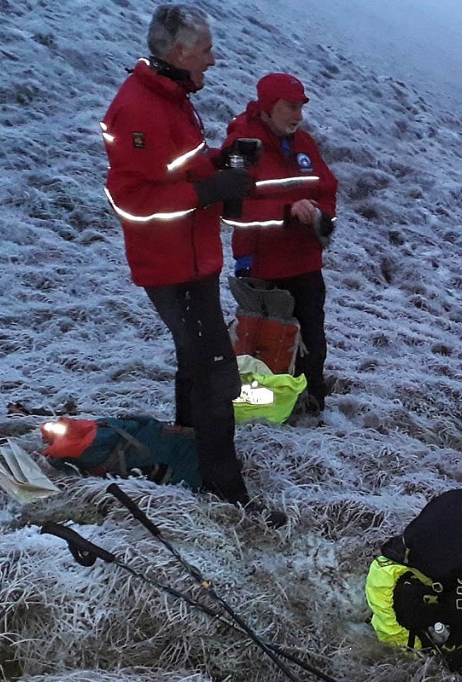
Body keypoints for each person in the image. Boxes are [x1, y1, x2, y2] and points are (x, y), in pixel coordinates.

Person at [100, 4, 284, 527]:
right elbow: (131, 199)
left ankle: (190, 456)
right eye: (206, 49)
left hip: (194, 257)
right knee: (217, 374)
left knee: (196, 363)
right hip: (172, 265)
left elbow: (178, 166)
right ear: (180, 52)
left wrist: (222, 161)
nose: (213, 58)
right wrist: (208, 190)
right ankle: (226, 493)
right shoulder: (139, 108)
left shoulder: (173, 98)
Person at [222, 73, 339, 414]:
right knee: (263, 344)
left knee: (312, 344)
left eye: (301, 107)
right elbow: (234, 211)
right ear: (268, 107)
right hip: (262, 267)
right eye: (290, 107)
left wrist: (321, 215)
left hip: (306, 263)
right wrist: (287, 211)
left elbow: (327, 188)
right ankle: (261, 410)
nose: (298, 115)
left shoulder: (305, 144)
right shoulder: (242, 146)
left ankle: (310, 407)